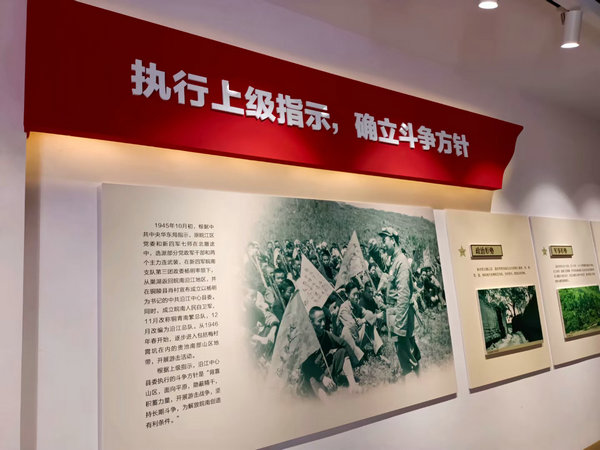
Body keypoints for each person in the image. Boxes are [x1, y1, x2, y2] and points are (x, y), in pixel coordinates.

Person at [378, 227, 421, 376]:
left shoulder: (401, 262)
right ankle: (418, 377)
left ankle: (415, 381)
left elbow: (403, 295)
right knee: (406, 352)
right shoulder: (394, 260)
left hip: (400, 315)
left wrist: (400, 327)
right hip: (395, 313)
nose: (383, 244)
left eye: (384, 240)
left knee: (406, 356)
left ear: (393, 240)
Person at [301, 307, 360, 399]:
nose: (323, 323)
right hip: (315, 376)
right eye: (319, 321)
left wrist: (355, 364)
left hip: (326, 369)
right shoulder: (306, 340)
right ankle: (326, 401)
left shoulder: (325, 334)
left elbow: (343, 343)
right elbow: (306, 366)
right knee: (312, 378)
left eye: (324, 319)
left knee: (342, 352)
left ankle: (353, 385)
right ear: (311, 323)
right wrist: (323, 378)